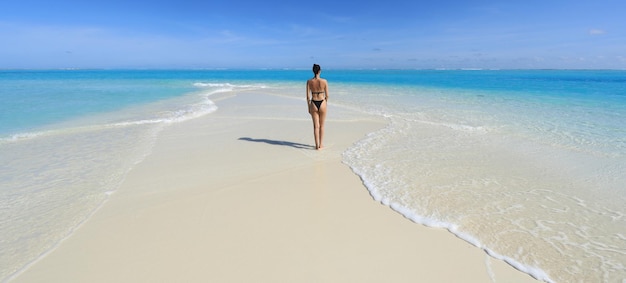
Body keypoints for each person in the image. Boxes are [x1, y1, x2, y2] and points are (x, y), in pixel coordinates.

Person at [306, 64, 328, 150]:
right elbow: (328, 95)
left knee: (316, 126)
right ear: (320, 71)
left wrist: (309, 107)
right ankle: (321, 145)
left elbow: (308, 97)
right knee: (322, 126)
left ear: (313, 71)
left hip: (313, 103)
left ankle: (316, 145)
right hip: (322, 102)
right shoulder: (324, 81)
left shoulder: (309, 82)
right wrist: (325, 103)